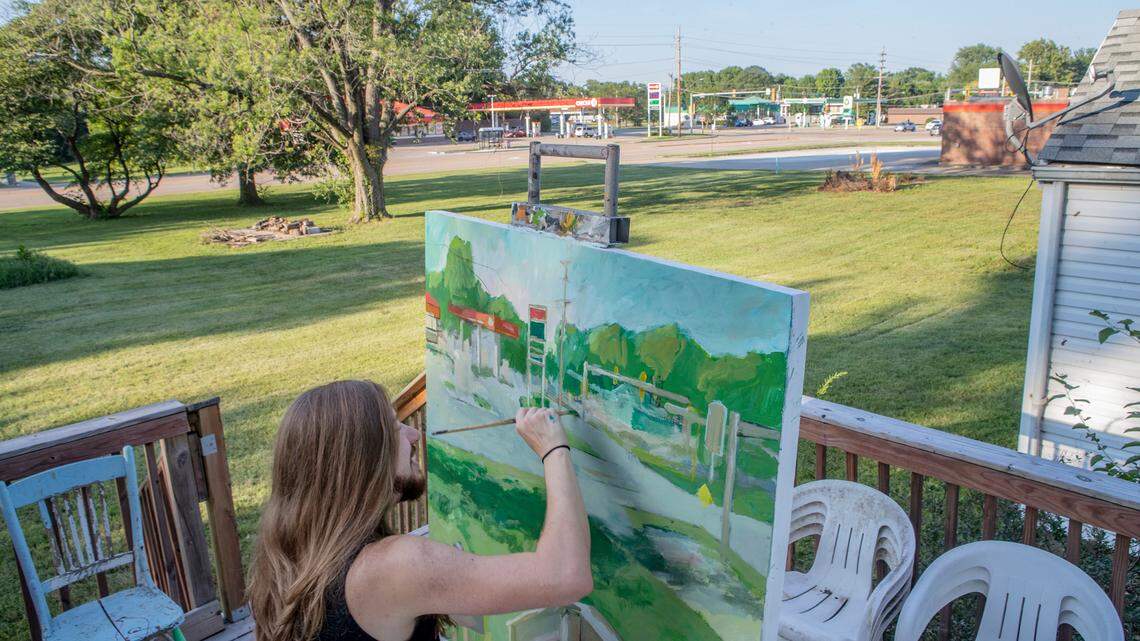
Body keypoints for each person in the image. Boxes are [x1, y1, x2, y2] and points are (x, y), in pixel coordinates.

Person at [249, 380, 592, 641]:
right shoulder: (392, 566)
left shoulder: (285, 548)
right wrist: (554, 449)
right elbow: (566, 576)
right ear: (361, 461)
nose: (413, 433)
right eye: (394, 428)